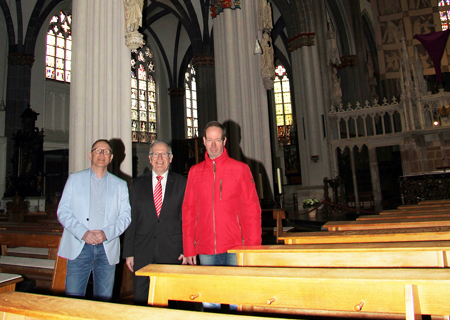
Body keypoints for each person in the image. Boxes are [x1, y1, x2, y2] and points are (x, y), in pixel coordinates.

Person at [57, 139, 131, 301]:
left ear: (111, 158)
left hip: (106, 248)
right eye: (98, 150)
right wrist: (82, 233)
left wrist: (106, 234)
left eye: (106, 151)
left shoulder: (120, 185)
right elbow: (63, 211)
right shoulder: (75, 180)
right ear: (90, 155)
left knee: (103, 302)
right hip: (80, 246)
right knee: (73, 300)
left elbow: (125, 217)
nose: (101, 154)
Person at [182, 121, 261, 267]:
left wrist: (254, 247)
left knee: (237, 289)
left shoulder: (240, 169)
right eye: (210, 140)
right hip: (206, 249)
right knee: (211, 290)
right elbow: (188, 211)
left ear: (224, 141)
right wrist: (188, 248)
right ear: (204, 142)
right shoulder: (195, 172)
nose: (213, 145)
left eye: (217, 140)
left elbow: (253, 210)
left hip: (236, 246)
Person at [123, 140, 187, 305]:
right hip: (143, 250)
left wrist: (187, 248)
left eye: (164, 154)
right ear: (150, 159)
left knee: (173, 299)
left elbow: (187, 218)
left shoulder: (182, 183)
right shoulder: (137, 184)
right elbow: (132, 219)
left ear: (170, 158)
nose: (160, 157)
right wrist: (129, 252)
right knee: (142, 300)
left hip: (173, 250)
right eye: (155, 154)